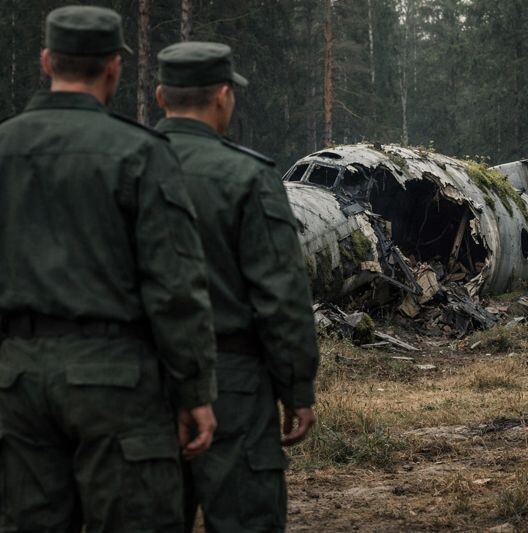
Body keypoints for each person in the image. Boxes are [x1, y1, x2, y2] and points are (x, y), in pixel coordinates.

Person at [0, 6, 218, 531]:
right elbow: (175, 285)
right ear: (115, 67)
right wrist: (194, 392)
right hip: (115, 383)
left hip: (14, 380)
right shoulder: (140, 153)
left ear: (47, 61)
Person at [153, 42, 319, 532]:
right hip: (235, 382)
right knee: (245, 518)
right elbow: (281, 292)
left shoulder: (125, 163)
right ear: (223, 96)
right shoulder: (248, 175)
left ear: (162, 97)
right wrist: (297, 386)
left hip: (141, 378)